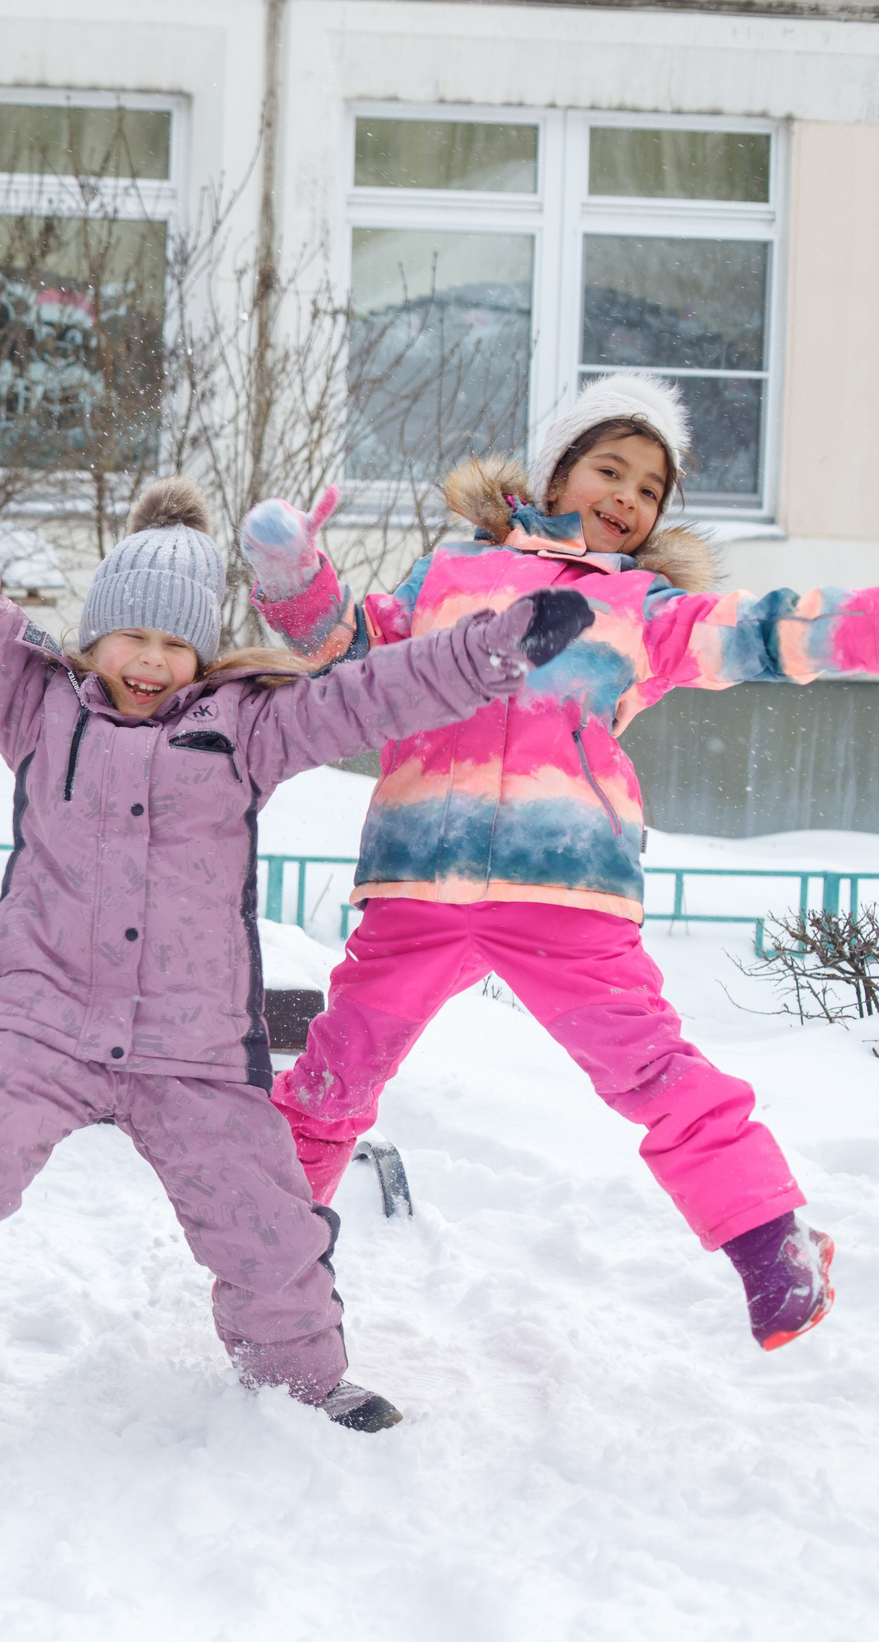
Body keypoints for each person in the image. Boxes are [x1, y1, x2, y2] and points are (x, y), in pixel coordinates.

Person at [0, 474, 597, 1420]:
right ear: (96, 634)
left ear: (202, 650)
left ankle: (301, 1382)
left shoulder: (247, 729)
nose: (151, 660)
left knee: (265, 1220)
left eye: (175, 643)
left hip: (192, 1048)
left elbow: (373, 691)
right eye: (132, 637)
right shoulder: (38, 708)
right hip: (45, 1028)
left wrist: (493, 649)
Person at [240, 371, 853, 1350]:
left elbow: (752, 633)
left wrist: (855, 625)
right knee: (333, 1073)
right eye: (609, 467)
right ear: (554, 474)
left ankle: (770, 1245)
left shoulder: (638, 605)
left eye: (649, 488)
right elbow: (351, 651)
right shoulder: (443, 580)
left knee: (647, 1067)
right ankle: (265, 1257)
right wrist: (293, 576)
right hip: (418, 879)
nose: (626, 495)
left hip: (563, 885)